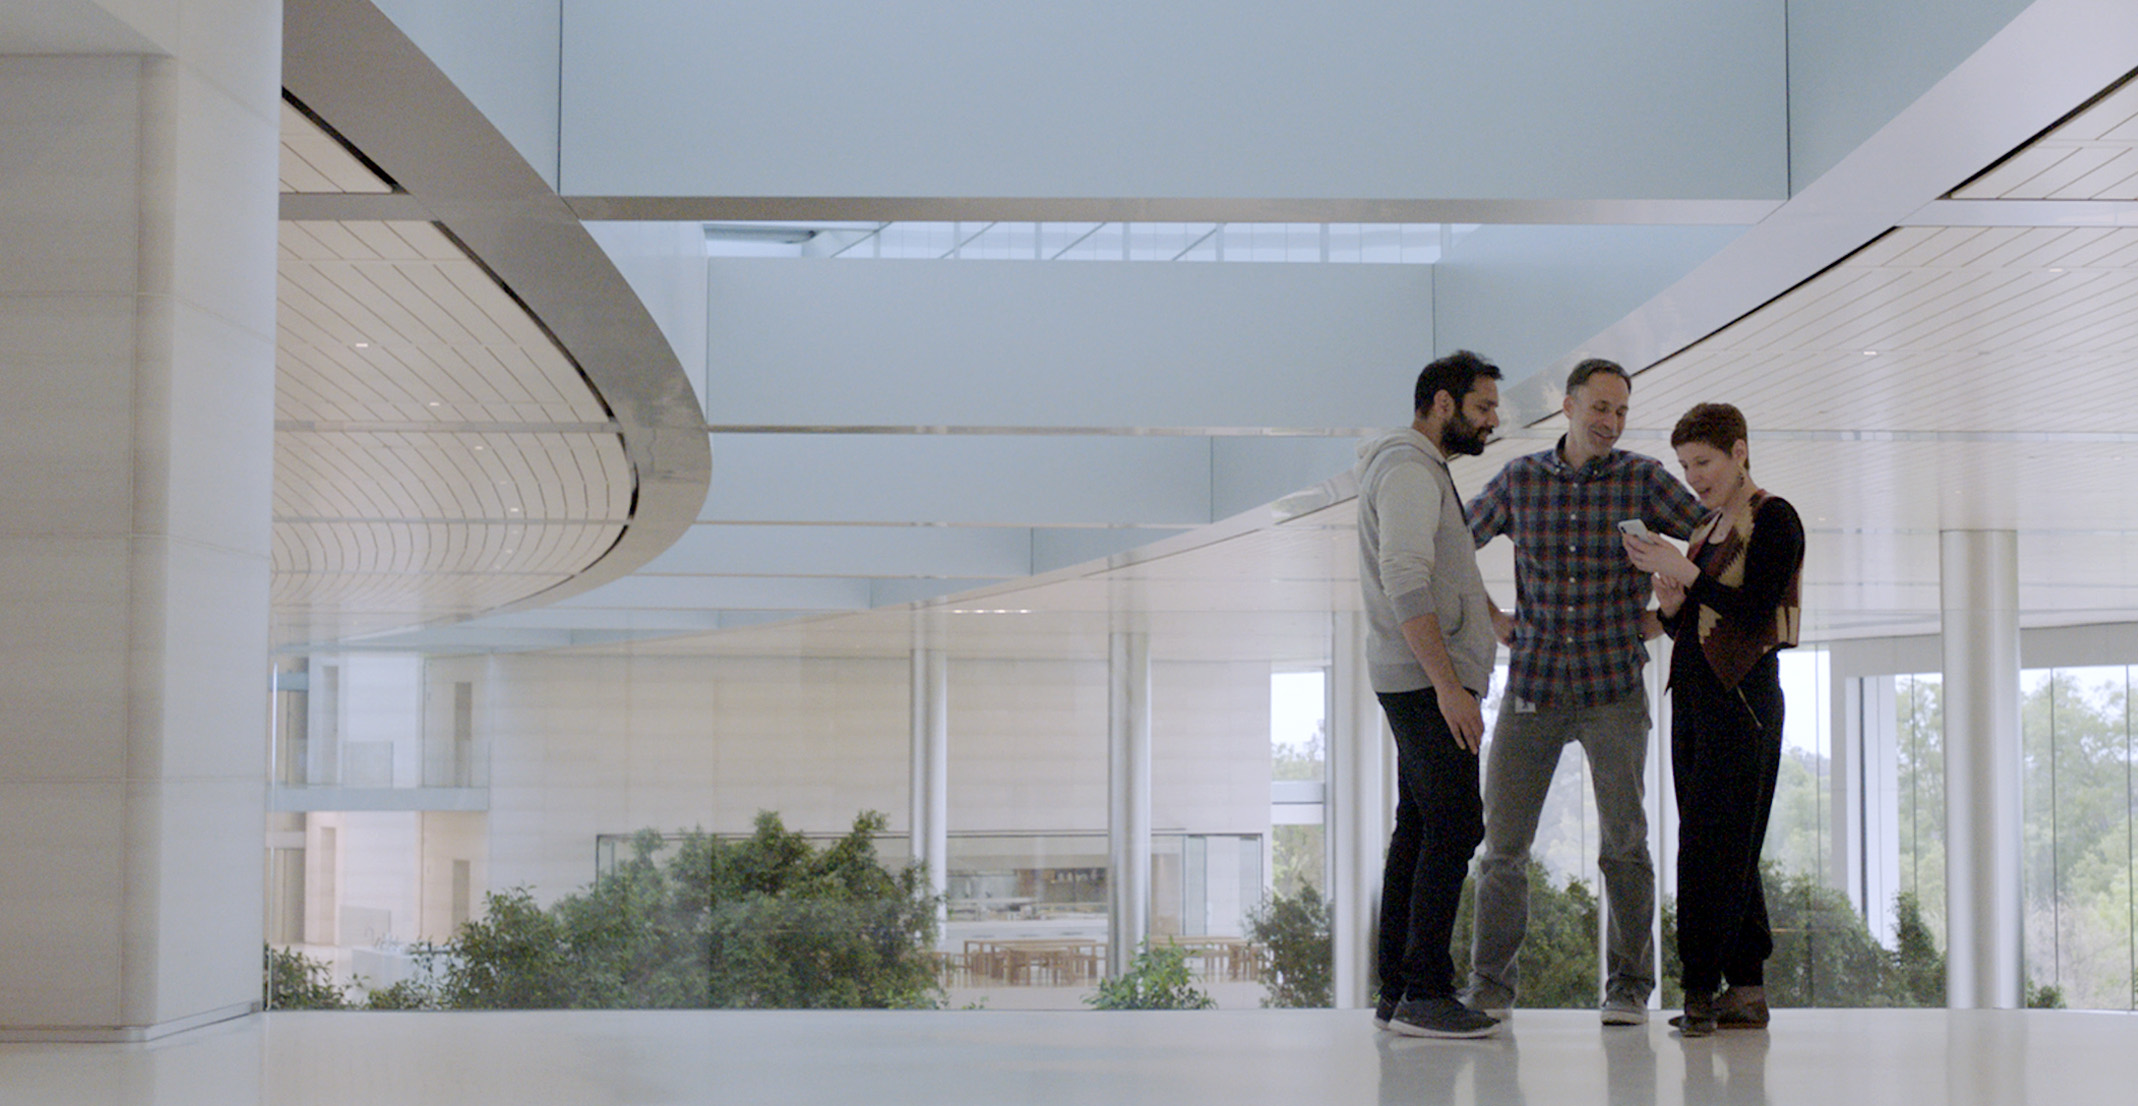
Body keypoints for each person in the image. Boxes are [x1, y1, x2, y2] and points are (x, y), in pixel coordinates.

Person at [1462, 358, 1706, 1026]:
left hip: (1613, 688)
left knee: (1625, 844)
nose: (1611, 422)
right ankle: (1490, 987)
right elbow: (1453, 545)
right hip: (1533, 686)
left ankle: (1630, 987)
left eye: (1621, 411)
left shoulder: (1643, 479)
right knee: (1502, 849)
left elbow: (1712, 537)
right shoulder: (1521, 480)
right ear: (1568, 407)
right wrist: (1491, 616)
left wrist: (1666, 615)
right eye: (1600, 408)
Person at [1622, 402, 1804, 1038]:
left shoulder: (1774, 518)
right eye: (1685, 465)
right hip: (1699, 696)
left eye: (1703, 462)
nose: (1693, 477)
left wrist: (1685, 573)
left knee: (1711, 848)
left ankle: (1700, 990)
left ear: (1739, 452)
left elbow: (1754, 612)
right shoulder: (1708, 528)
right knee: (1726, 846)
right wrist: (1674, 604)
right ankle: (1745, 991)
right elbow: (1701, 626)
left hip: (1743, 700)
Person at [1354, 350, 1504, 1039]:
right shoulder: (1410, 470)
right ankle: (1424, 990)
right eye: (1482, 407)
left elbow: (1441, 571)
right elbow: (1405, 578)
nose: (1492, 420)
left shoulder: (1420, 469)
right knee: (1455, 823)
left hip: (1419, 675)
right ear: (1442, 404)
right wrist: (1448, 686)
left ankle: (1398, 989)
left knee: (1420, 824)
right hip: (1424, 679)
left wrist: (1490, 618)